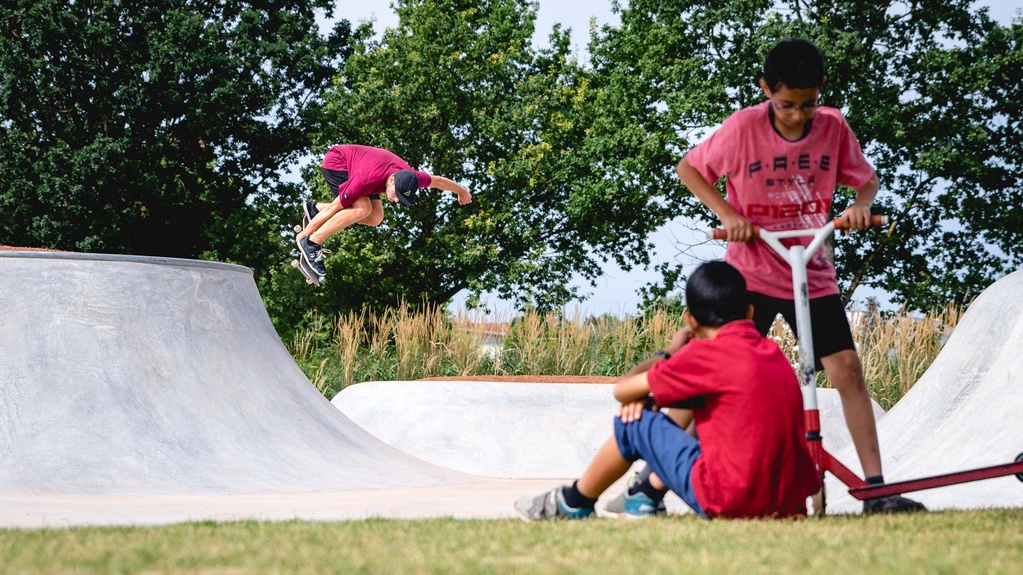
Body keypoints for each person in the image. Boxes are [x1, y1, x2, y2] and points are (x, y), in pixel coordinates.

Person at [653, 38, 922, 514]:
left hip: (810, 270)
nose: (798, 115)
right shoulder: (742, 129)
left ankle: (876, 490)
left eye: (808, 104)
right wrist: (728, 213)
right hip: (750, 274)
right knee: (713, 377)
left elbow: (866, 180)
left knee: (848, 372)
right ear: (765, 90)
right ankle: (650, 483)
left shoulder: (833, 127)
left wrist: (859, 207)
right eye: (786, 105)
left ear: (821, 92)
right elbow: (689, 169)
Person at [515, 260, 821, 521]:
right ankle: (646, 493)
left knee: (631, 421)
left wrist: (671, 350)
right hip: (788, 504)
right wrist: (652, 399)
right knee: (696, 402)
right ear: (750, 312)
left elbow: (623, 390)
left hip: (732, 500)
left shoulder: (704, 354)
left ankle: (573, 502)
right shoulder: (771, 351)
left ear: (690, 320)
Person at [295, 144, 472, 280]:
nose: (395, 200)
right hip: (338, 163)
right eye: (397, 195)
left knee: (375, 217)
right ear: (392, 180)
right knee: (362, 208)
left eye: (400, 199)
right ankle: (312, 243)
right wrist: (306, 234)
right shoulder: (365, 180)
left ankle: (315, 208)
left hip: (366, 167)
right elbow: (336, 206)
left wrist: (461, 191)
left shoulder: (411, 177)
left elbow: (439, 181)